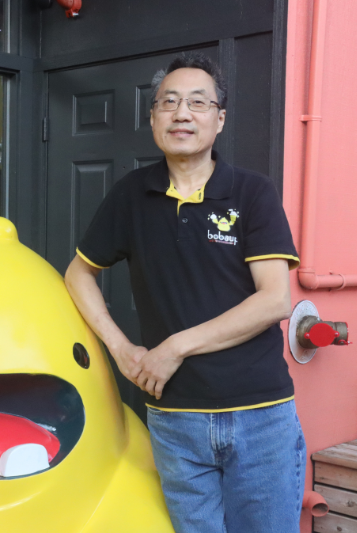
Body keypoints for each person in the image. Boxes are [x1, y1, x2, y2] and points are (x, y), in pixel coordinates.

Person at [64, 52, 305, 533]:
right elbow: (77, 274)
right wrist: (122, 350)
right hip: (175, 420)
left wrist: (174, 347)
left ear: (218, 120)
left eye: (198, 102)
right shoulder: (132, 194)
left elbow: (274, 299)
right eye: (168, 102)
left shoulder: (251, 193)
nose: (181, 113)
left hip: (258, 416)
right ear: (153, 117)